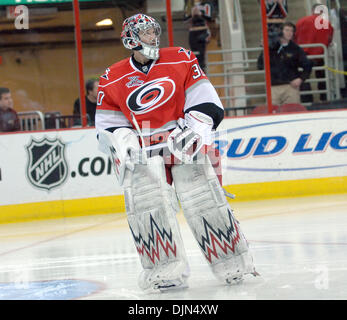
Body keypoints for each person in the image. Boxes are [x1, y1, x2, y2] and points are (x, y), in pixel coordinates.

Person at [95, 13, 257, 292]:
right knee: (148, 210)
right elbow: (108, 126)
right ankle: (164, 270)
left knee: (205, 202)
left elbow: (206, 99)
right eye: (145, 33)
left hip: (183, 144)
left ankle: (234, 262)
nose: (152, 37)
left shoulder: (180, 57)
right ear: (130, 38)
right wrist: (124, 140)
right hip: (145, 154)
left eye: (153, 31)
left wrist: (197, 126)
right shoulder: (112, 77)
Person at [257, 22, 313, 106]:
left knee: (292, 113)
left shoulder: (296, 49)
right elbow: (260, 65)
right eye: (287, 30)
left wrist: (301, 79)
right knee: (273, 114)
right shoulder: (271, 47)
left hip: (290, 87)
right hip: (273, 87)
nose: (289, 33)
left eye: (291, 31)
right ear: (280, 32)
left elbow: (307, 65)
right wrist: (265, 48)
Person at [295, 3, 334, 102]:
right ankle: (324, 98)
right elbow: (329, 39)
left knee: (304, 78)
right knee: (322, 78)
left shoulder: (301, 22)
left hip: (303, 55)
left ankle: (307, 100)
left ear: (312, 10)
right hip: (320, 55)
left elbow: (294, 37)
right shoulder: (326, 23)